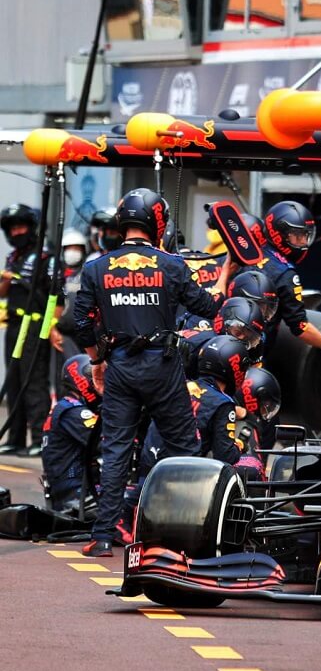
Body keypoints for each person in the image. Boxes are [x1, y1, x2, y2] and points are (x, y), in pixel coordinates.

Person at [74, 187, 232, 557]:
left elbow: (81, 323)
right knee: (186, 450)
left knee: (115, 451)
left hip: (120, 367)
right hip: (162, 366)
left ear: (121, 222)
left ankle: (101, 537)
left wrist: (97, 362)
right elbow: (208, 308)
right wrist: (223, 279)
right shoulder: (172, 264)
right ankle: (195, 536)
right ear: (157, 221)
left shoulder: (96, 267)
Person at [0, 204, 64, 457]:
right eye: (12, 228)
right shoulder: (12, 259)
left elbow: (56, 296)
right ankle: (15, 438)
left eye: (21, 227)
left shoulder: (45, 257)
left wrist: (50, 326)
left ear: (32, 228)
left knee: (34, 383)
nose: (17, 232)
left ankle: (39, 438)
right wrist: (6, 280)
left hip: (36, 325)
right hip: (14, 326)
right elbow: (3, 292)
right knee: (13, 382)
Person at [139, 334, 252, 474]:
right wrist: (240, 444)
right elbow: (225, 456)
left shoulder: (178, 385)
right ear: (235, 367)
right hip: (180, 477)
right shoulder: (223, 404)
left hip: (147, 469)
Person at [249, 200, 321, 354]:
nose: (303, 242)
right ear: (279, 234)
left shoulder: (247, 255)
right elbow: (300, 327)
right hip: (253, 352)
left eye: (305, 235)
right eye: (297, 236)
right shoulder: (284, 274)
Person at [41, 354, 101, 514]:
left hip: (75, 488)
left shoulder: (67, 406)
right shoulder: (73, 411)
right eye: (93, 376)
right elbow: (104, 442)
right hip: (75, 492)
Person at [56, 229, 88, 360]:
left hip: (85, 331)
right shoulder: (57, 274)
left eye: (76, 248)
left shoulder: (88, 272)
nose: (72, 252)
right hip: (62, 332)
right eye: (69, 249)